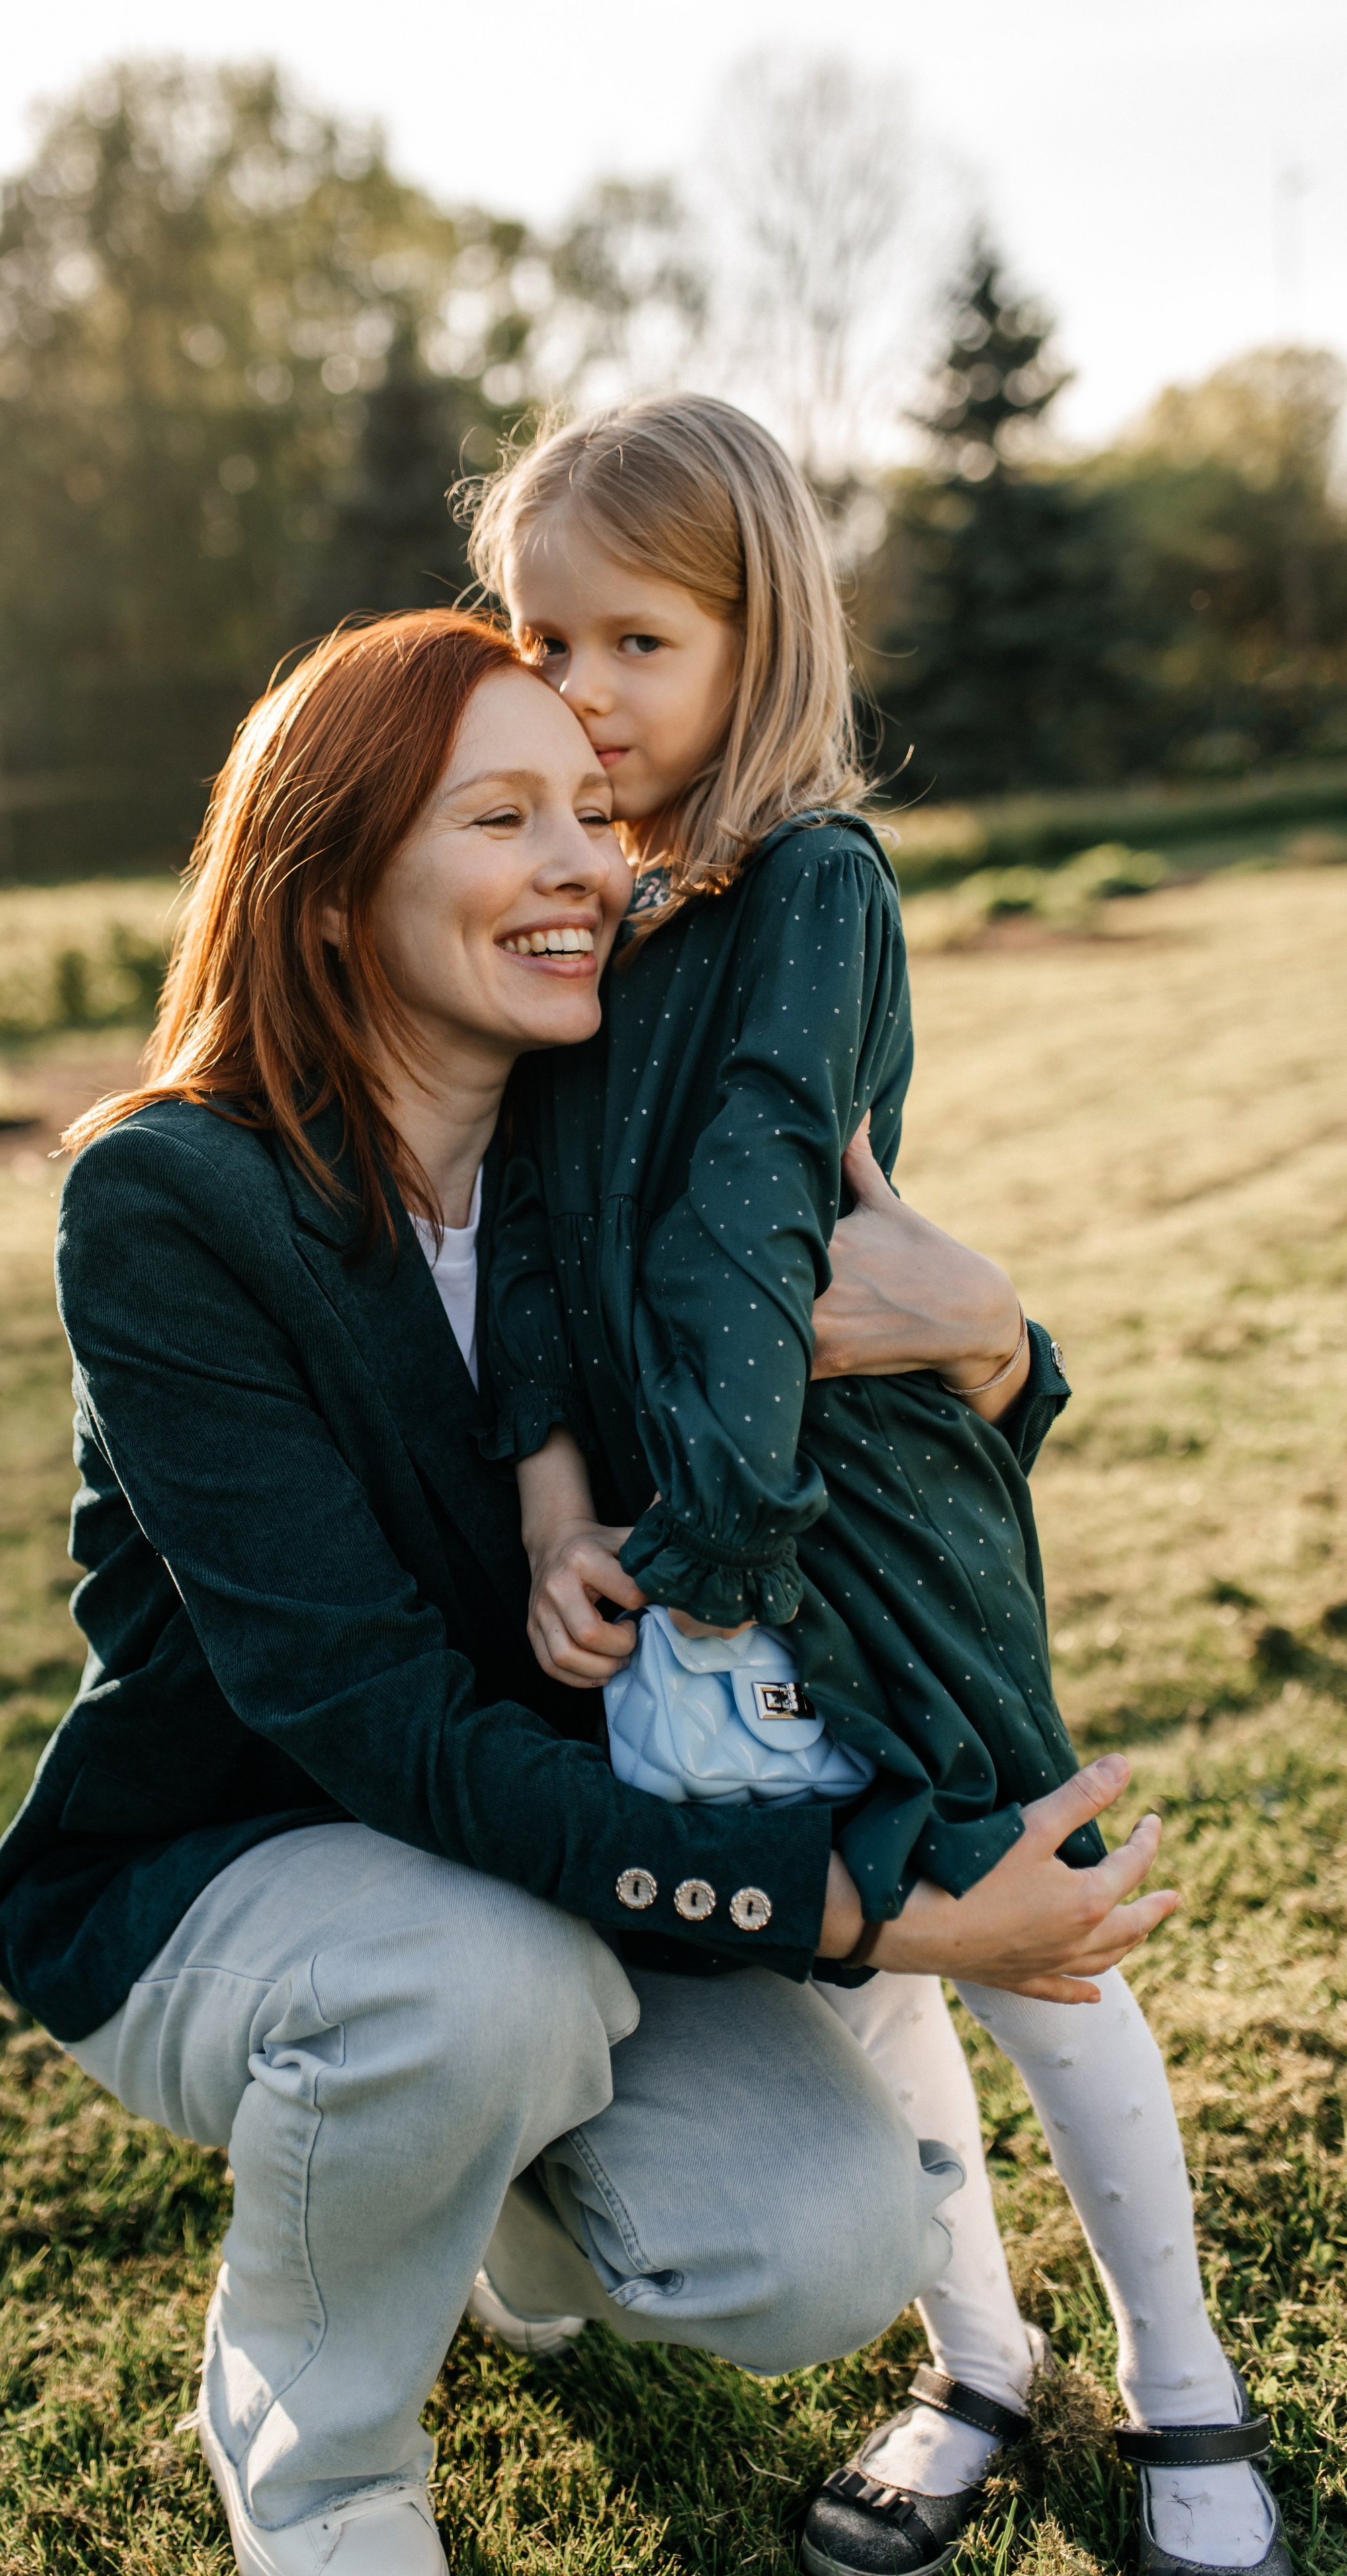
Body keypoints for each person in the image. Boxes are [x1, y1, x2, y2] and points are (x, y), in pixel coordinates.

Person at [0, 609, 1173, 2576]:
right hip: (247, 1867)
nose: (584, 869)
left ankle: (471, 2206)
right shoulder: (170, 1203)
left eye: (595, 815)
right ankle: (314, 2436)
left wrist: (996, 1353)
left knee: (821, 2243)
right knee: (472, 1986)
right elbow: (364, 1715)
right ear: (336, 890)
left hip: (555, 1885)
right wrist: (877, 1908)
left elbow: (837, 1463)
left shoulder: (611, 1171)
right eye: (501, 817)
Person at [468, 396, 1287, 2576]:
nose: (578, 688)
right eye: (538, 638)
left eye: (635, 640)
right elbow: (538, 1239)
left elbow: (756, 1201)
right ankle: (979, 2360)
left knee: (1040, 1931)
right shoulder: (582, 908)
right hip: (673, 1540)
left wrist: (716, 1541)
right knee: (873, 1959)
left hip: (875, 1528)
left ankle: (1184, 2384)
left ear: (761, 641)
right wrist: (562, 1503)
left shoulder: (808, 888)